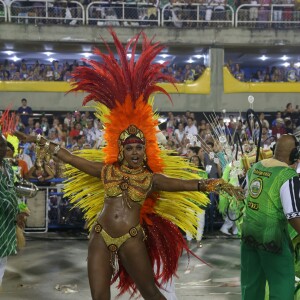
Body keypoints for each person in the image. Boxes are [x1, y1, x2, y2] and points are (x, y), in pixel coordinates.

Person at [15, 30, 242, 300]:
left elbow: (187, 184)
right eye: (130, 148)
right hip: (100, 235)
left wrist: (219, 184)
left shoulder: (151, 179)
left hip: (131, 238)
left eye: (139, 148)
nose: (134, 152)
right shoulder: (106, 171)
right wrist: (38, 140)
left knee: (149, 291)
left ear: (144, 153)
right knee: (99, 296)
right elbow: (70, 157)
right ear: (121, 151)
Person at [241, 134, 300, 300]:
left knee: (251, 286)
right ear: (295, 154)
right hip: (272, 241)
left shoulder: (255, 167)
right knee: (281, 287)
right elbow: (294, 216)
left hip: (248, 236)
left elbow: (243, 194)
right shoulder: (287, 176)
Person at [0, 134, 27, 287]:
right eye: (0, 145)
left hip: (6, 223)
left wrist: (19, 211)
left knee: (2, 262)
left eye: (4, 145)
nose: (2, 149)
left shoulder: (8, 167)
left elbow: (11, 192)